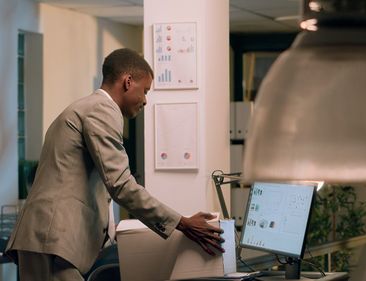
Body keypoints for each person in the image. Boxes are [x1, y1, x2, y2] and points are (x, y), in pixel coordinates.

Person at [5, 48, 224, 280]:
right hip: (50, 240)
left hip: (50, 241)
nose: (146, 101)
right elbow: (120, 184)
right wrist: (182, 223)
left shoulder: (89, 108)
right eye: (145, 91)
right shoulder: (102, 109)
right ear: (128, 82)